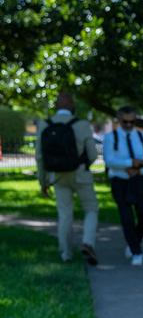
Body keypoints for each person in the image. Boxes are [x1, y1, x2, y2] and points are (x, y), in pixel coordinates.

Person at [34, 91, 99, 264]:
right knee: (91, 208)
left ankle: (65, 254)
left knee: (64, 214)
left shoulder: (44, 125)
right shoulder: (82, 125)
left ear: (56, 106)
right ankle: (88, 242)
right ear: (72, 105)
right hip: (80, 174)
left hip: (57, 176)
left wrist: (43, 181)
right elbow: (92, 154)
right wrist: (83, 165)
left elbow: (39, 157)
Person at [103, 106, 143, 266]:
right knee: (126, 218)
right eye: (125, 121)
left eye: (132, 121)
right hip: (120, 182)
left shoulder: (142, 136)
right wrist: (129, 164)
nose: (128, 124)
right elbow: (109, 160)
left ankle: (134, 242)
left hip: (141, 180)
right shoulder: (111, 137)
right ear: (119, 120)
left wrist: (140, 169)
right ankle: (136, 251)